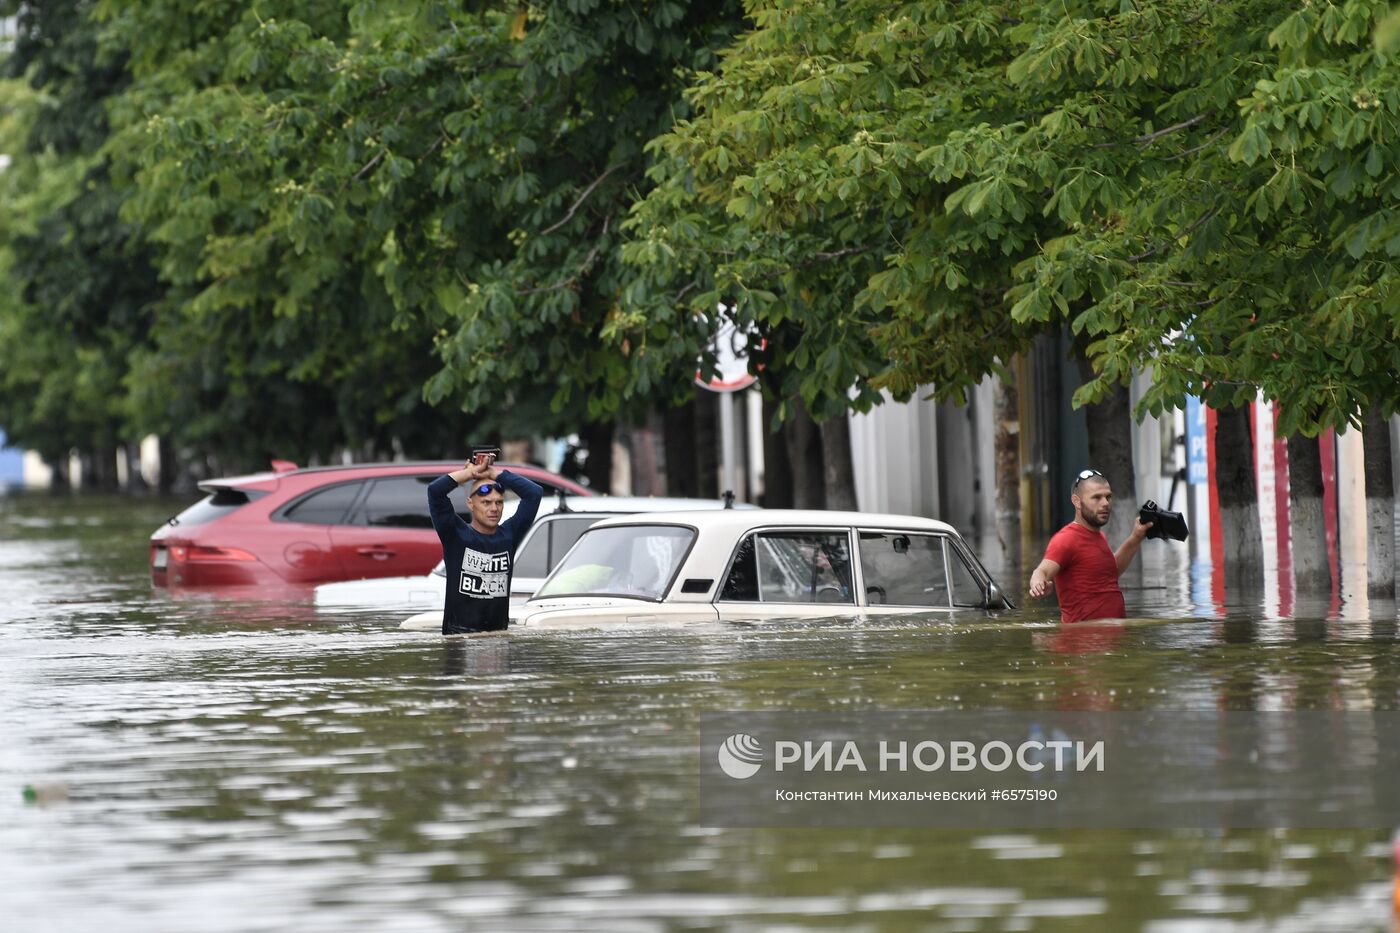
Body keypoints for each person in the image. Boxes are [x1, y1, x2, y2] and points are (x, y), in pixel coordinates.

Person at [427, 454, 543, 634]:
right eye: (486, 503)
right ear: (471, 504)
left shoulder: (509, 535)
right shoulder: (456, 534)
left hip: (498, 636)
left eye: (499, 502)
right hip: (459, 637)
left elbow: (534, 493)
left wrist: (494, 473)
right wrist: (469, 474)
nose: (494, 509)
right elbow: (435, 491)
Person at [1028, 468, 1152, 622]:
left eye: (1108, 497)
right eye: (1097, 498)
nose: (1105, 503)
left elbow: (1110, 572)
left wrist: (1136, 537)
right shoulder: (1066, 539)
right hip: (1081, 642)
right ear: (1077, 501)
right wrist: (1038, 584)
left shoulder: (1100, 536)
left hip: (1111, 641)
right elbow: (1041, 571)